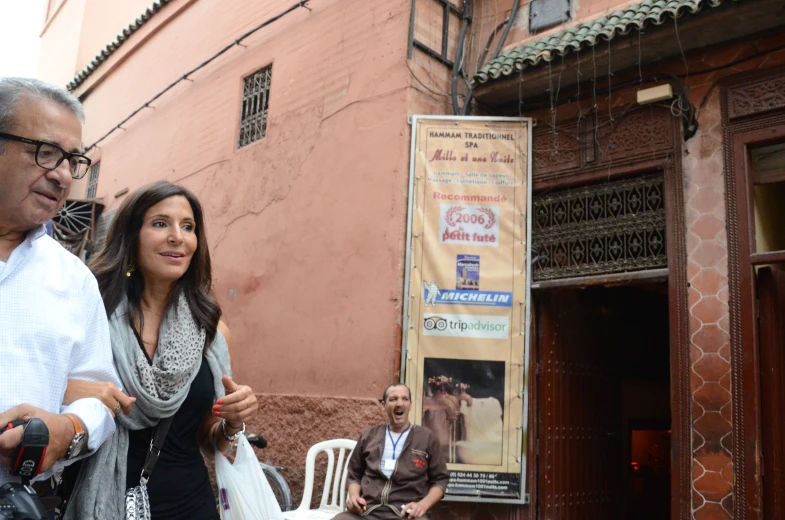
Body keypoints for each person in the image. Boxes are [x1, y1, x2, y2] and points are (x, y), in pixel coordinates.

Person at [64, 181, 258, 520]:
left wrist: (232, 422)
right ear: (131, 235)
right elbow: (37, 392)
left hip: (189, 505)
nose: (177, 237)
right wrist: (67, 391)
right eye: (160, 223)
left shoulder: (210, 331)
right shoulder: (90, 314)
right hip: (98, 502)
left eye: (188, 227)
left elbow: (209, 439)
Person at [0, 77, 127, 489]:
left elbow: (100, 400)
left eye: (72, 160)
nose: (63, 176)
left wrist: (68, 430)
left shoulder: (74, 279)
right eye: (46, 152)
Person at [336, 383, 449, 520]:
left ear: (410, 404)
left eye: (404, 399)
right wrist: (354, 497)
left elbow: (440, 480)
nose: (399, 403)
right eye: (393, 399)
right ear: (384, 405)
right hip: (368, 512)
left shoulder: (426, 438)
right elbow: (354, 474)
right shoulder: (369, 436)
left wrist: (422, 506)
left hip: (406, 514)